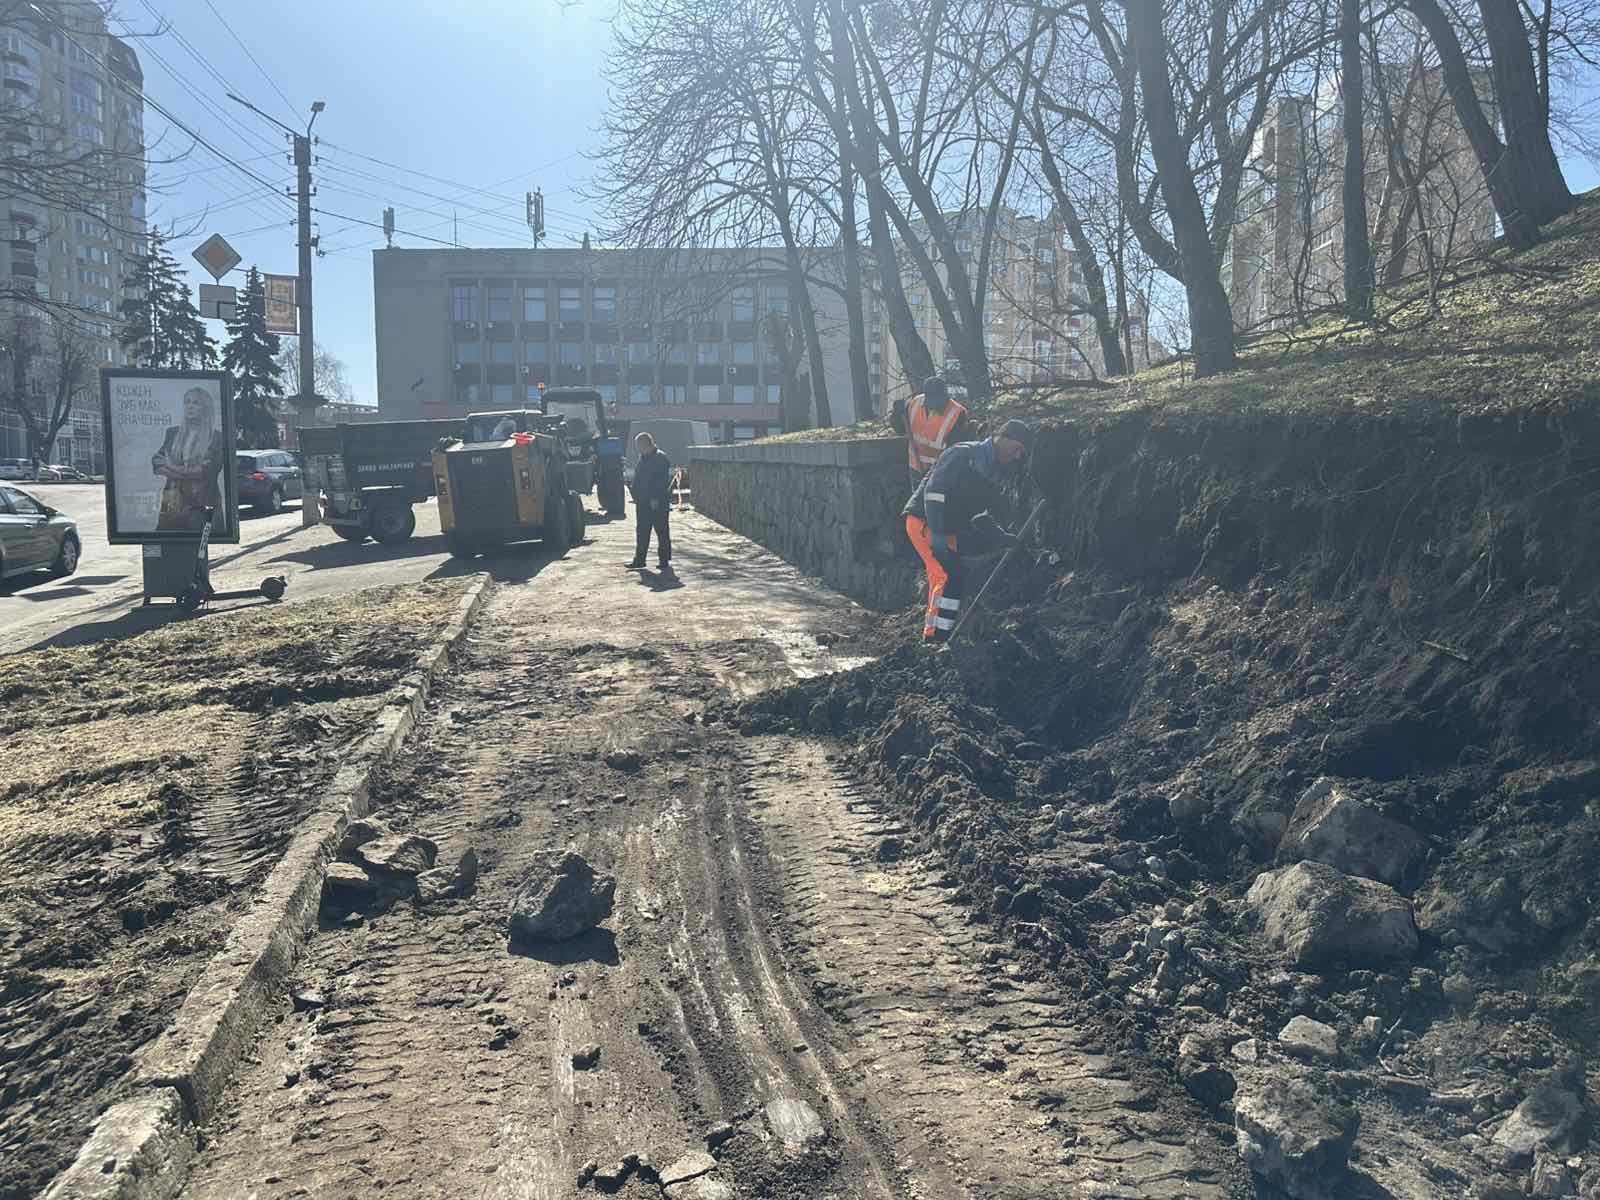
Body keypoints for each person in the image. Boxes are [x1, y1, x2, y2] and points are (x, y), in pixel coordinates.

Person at [902, 420, 1032, 642]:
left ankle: (944, 632)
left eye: (1022, 452)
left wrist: (999, 536)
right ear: (1003, 437)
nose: (1018, 456)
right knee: (945, 575)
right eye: (1017, 448)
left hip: (949, 527)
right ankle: (933, 638)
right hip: (924, 521)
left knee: (956, 575)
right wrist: (939, 536)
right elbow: (933, 493)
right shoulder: (963, 455)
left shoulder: (993, 470)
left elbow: (978, 514)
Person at [152, 386, 225, 533]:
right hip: (173, 503)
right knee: (166, 542)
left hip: (203, 504)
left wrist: (171, 467)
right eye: (187, 402)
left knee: (199, 548)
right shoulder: (172, 433)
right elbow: (157, 462)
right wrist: (184, 473)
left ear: (205, 408)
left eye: (196, 403)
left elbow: (205, 471)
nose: (190, 406)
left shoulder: (216, 438)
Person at [890, 376, 971, 490]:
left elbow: (954, 451)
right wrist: (896, 415)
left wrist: (933, 472)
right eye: (935, 401)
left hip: (940, 472)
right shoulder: (914, 404)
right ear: (926, 398)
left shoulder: (957, 414)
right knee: (917, 505)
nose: (939, 405)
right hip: (916, 469)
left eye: (941, 400)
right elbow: (901, 430)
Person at [627, 431, 673, 571]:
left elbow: (661, 482)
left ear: (647, 444)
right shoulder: (643, 458)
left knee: (661, 531)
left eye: (639, 445)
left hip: (657, 502)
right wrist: (634, 493)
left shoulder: (660, 458)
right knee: (642, 531)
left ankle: (664, 560)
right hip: (643, 501)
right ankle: (639, 560)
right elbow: (640, 479)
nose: (638, 448)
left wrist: (655, 498)